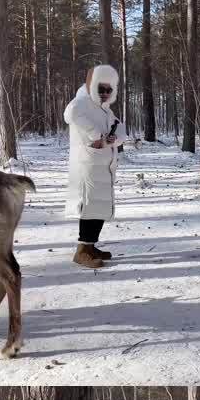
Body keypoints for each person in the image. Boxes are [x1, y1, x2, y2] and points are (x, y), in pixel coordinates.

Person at [64, 65, 128, 270]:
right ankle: (82, 251)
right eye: (101, 88)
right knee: (89, 207)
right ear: (92, 85)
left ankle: (91, 247)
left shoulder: (105, 109)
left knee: (98, 207)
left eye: (109, 90)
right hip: (88, 164)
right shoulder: (81, 103)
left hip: (103, 166)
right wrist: (95, 136)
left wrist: (113, 138)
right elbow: (71, 114)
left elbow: (122, 130)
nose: (105, 93)